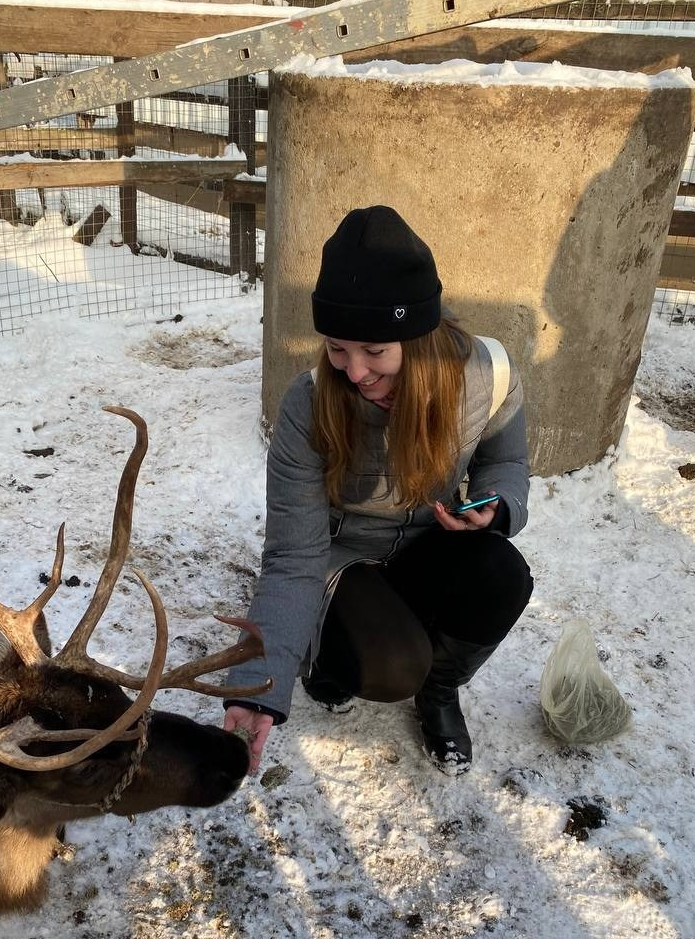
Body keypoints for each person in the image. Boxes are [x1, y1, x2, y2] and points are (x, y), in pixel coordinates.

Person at [223, 205, 532, 776]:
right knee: (389, 668)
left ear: (419, 339)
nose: (355, 372)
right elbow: (294, 557)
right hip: (346, 558)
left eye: (375, 352)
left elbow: (505, 460)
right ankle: (327, 657)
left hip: (428, 545)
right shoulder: (310, 403)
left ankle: (440, 694)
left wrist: (494, 504)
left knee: (501, 575)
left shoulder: (487, 377)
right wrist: (257, 686)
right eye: (338, 348)